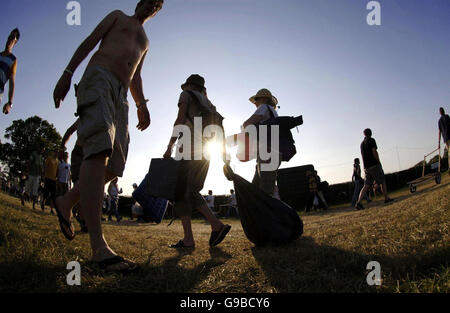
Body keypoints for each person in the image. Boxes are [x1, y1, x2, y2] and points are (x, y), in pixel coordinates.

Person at [52, 0, 163, 273]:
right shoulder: (118, 17)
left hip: (122, 96)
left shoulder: (145, 40)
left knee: (115, 165)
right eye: (149, 0)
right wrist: (68, 73)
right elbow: (90, 41)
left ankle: (66, 201)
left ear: (157, 11)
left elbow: (136, 76)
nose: (151, 6)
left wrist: (142, 105)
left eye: (157, 5)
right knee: (99, 148)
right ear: (140, 2)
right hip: (99, 78)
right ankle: (99, 248)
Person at [164, 74, 231, 248]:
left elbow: (180, 120)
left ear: (189, 85)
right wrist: (224, 155)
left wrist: (170, 145)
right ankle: (193, 236)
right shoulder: (210, 105)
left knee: (182, 192)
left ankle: (212, 227)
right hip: (205, 152)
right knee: (189, 192)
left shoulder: (186, 95)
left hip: (188, 148)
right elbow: (219, 129)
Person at [243, 88, 281, 197]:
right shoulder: (273, 112)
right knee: (256, 189)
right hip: (272, 153)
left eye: (256, 100)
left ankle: (271, 213)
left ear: (263, 99)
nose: (255, 103)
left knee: (265, 193)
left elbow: (248, 124)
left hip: (267, 154)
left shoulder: (263, 107)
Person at [355, 129, 394, 210]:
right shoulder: (371, 140)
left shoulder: (361, 144)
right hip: (374, 164)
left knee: (366, 185)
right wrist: (378, 162)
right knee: (382, 181)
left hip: (366, 167)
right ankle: (386, 198)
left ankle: (358, 202)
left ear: (364, 134)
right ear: (371, 133)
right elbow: (374, 151)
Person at [1, 28, 20, 115]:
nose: (10, 39)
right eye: (9, 36)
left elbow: (12, 81)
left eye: (13, 37)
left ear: (15, 42)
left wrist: (10, 103)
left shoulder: (13, 60)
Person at [22, 145, 44, 209]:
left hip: (37, 176)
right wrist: (27, 172)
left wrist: (41, 175)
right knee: (27, 189)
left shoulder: (41, 157)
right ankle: (22, 199)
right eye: (41, 149)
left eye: (43, 150)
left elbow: (41, 167)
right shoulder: (33, 154)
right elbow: (29, 163)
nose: (42, 151)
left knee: (35, 191)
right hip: (31, 174)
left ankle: (33, 206)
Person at [41, 150, 59, 214]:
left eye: (57, 153)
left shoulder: (57, 161)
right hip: (48, 178)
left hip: (54, 180)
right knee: (46, 193)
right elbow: (45, 167)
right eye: (56, 152)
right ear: (53, 152)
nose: (56, 153)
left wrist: (57, 177)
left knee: (53, 195)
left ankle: (51, 209)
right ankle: (43, 202)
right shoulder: (49, 158)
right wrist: (44, 175)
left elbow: (57, 170)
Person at [438, 107, 450, 175]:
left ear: (440, 113)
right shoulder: (447, 116)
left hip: (445, 139)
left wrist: (439, 143)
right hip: (449, 136)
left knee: (449, 152)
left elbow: (439, 132)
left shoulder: (439, 121)